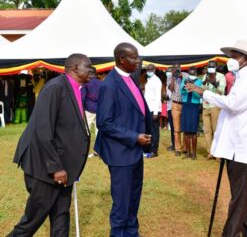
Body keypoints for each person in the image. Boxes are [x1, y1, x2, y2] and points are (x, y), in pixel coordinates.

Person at [187, 39, 247, 236]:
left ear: (246, 58)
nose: (231, 59)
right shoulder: (243, 77)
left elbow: (233, 104)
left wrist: (204, 92)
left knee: (239, 198)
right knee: (245, 195)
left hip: (243, 149)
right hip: (237, 148)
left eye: (235, 56)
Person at [8, 53, 92, 236]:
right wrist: (55, 167)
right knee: (32, 220)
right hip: (45, 168)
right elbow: (42, 130)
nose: (92, 71)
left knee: (61, 215)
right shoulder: (54, 88)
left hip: (64, 167)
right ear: (75, 68)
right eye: (88, 67)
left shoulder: (76, 89)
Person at [94, 42, 152, 237]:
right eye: (134, 57)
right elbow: (104, 122)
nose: (138, 61)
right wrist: (134, 137)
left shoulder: (131, 79)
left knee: (134, 199)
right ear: (121, 59)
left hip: (134, 152)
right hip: (120, 153)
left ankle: (132, 233)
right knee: (122, 203)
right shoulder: (110, 85)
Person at [202, 61, 226, 159]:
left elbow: (222, 91)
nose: (210, 68)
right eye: (209, 67)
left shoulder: (221, 76)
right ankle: (210, 152)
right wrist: (204, 83)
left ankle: (218, 153)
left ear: (216, 67)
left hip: (215, 106)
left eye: (212, 66)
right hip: (205, 106)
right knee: (207, 131)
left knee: (216, 130)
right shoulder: (205, 76)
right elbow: (203, 90)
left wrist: (215, 83)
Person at [180, 66, 202, 160]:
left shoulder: (199, 81)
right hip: (185, 105)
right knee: (186, 130)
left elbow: (199, 95)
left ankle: (194, 153)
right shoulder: (185, 79)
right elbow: (182, 92)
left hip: (194, 106)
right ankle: (188, 152)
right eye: (190, 72)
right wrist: (185, 87)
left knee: (193, 131)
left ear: (196, 72)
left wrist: (193, 88)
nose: (191, 74)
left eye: (193, 72)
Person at [81, 66, 101, 157]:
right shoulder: (101, 83)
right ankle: (98, 150)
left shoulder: (86, 83)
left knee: (85, 130)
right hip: (99, 108)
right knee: (98, 130)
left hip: (89, 109)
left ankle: (85, 150)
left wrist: (81, 107)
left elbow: (83, 97)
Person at [144, 64, 162, 158]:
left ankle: (154, 151)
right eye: (147, 69)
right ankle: (147, 149)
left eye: (150, 69)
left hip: (154, 110)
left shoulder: (156, 81)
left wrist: (155, 112)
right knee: (148, 130)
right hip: (147, 109)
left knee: (154, 131)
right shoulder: (149, 80)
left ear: (154, 70)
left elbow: (158, 97)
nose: (149, 71)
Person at [168, 63, 184, 156]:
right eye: (175, 67)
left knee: (185, 127)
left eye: (178, 67)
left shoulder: (185, 75)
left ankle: (186, 148)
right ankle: (178, 148)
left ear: (180, 68)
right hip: (175, 104)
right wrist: (174, 78)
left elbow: (188, 85)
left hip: (185, 104)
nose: (176, 69)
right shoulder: (170, 77)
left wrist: (181, 76)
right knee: (176, 128)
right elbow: (171, 89)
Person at [165, 67, 175, 151]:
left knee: (175, 127)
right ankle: (173, 143)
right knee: (172, 127)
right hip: (169, 106)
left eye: (169, 71)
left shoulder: (174, 80)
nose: (167, 73)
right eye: (166, 71)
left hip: (174, 106)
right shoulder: (166, 80)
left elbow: (173, 91)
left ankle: (176, 145)